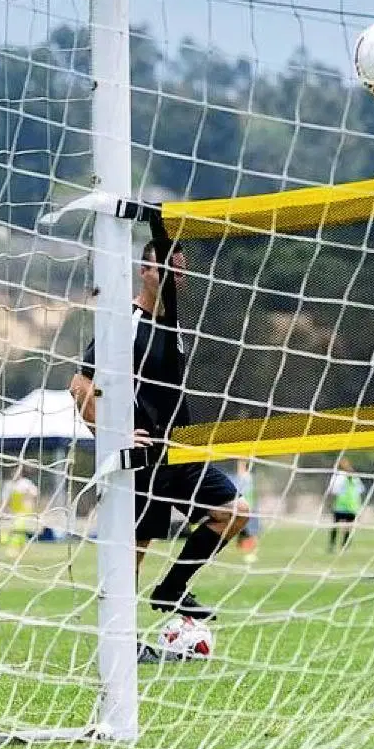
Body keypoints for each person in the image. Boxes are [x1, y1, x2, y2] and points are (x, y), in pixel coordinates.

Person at [70, 238, 250, 622]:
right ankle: (125, 644)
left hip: (180, 453)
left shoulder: (174, 325)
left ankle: (171, 590)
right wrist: (114, 437)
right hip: (143, 459)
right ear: (144, 272)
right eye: (166, 269)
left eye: (181, 271)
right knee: (134, 552)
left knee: (234, 512)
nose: (175, 278)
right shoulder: (124, 321)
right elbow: (80, 386)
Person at [328, 458, 363, 552]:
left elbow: (359, 490)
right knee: (340, 526)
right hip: (345, 506)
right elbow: (333, 490)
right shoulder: (343, 476)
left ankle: (340, 545)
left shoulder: (350, 477)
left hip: (347, 506)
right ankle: (337, 545)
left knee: (344, 527)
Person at [2, 465, 38, 550]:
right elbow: (6, 498)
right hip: (13, 510)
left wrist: (27, 496)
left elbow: (35, 493)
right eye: (14, 472)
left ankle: (14, 547)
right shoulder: (8, 484)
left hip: (24, 510)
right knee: (18, 529)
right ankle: (23, 546)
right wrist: (4, 509)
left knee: (18, 526)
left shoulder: (26, 483)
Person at [234, 460, 259, 561]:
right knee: (247, 531)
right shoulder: (245, 479)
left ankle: (252, 551)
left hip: (247, 509)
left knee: (250, 531)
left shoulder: (246, 478)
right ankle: (250, 550)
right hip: (245, 509)